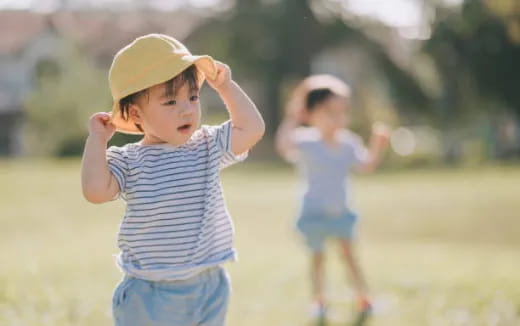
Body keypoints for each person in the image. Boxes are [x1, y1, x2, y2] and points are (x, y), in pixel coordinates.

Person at [81, 33, 265, 326]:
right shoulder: (129, 160)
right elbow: (95, 191)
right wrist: (97, 141)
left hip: (208, 282)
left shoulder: (208, 145)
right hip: (151, 293)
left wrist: (226, 87)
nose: (186, 109)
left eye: (192, 97)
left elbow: (252, 129)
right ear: (135, 113)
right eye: (170, 101)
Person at [275, 74, 388, 323]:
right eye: (330, 112)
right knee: (317, 260)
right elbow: (283, 145)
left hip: (340, 212)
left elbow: (366, 164)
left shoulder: (348, 143)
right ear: (311, 113)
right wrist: (293, 117)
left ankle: (364, 296)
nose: (338, 118)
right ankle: (319, 301)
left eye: (342, 112)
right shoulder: (306, 141)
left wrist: (377, 145)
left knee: (349, 256)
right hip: (313, 213)